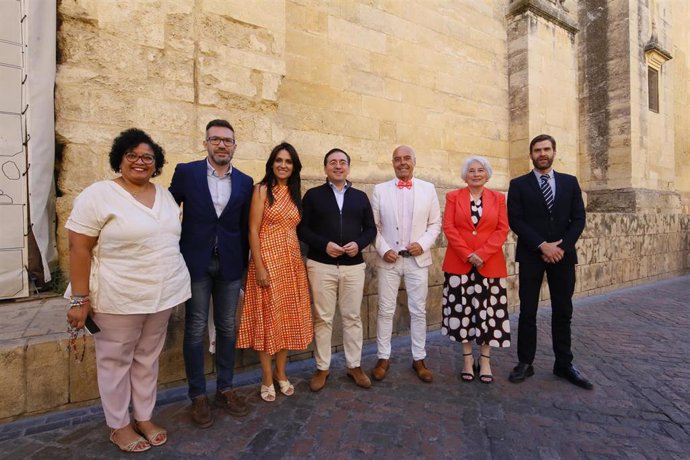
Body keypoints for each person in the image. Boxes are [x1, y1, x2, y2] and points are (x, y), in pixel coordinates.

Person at [65, 128, 191, 452]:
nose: (139, 161)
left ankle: (144, 416)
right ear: (119, 159)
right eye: (131, 155)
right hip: (118, 297)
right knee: (115, 362)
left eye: (147, 157)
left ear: (156, 163)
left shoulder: (163, 195)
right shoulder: (99, 195)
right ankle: (119, 425)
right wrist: (80, 299)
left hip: (162, 295)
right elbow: (78, 248)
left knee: (148, 358)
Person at [169, 119, 254, 428]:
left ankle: (225, 389)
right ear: (205, 143)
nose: (222, 145)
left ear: (234, 146)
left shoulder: (245, 181)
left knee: (228, 328)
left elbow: (245, 227)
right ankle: (198, 396)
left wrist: (245, 267)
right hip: (195, 263)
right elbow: (166, 211)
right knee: (195, 328)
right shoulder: (187, 173)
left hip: (230, 265)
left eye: (227, 140)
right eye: (216, 139)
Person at [507, 134, 593, 389]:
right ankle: (525, 362)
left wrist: (562, 247)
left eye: (546, 149)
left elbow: (578, 218)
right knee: (528, 311)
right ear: (531, 154)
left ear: (554, 152)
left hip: (563, 257)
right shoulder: (519, 184)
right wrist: (541, 245)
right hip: (532, 255)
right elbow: (516, 220)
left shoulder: (569, 182)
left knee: (563, 311)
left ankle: (564, 363)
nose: (542, 153)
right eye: (537, 150)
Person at [236, 142, 313, 402]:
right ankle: (267, 377)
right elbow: (252, 230)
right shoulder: (261, 190)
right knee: (267, 319)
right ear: (271, 163)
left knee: (286, 319)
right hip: (267, 260)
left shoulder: (294, 193)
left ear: (294, 167)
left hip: (291, 261)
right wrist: (258, 266)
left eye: (288, 161)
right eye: (279, 160)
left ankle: (282, 373)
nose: (283, 165)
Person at [298, 148, 377, 391]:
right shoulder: (312, 195)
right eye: (333, 162)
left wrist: (359, 244)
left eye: (342, 162)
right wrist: (324, 245)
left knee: (352, 317)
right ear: (325, 169)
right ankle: (322, 368)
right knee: (323, 318)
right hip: (321, 265)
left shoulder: (360, 197)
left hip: (353, 266)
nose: (338, 166)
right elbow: (302, 229)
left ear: (348, 168)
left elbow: (371, 230)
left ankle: (354, 365)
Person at [371, 145, 441, 383]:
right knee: (385, 310)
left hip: (417, 260)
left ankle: (419, 358)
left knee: (418, 310)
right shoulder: (380, 190)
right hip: (389, 260)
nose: (402, 162)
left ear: (414, 161)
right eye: (397, 159)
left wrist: (422, 244)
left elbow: (435, 225)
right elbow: (374, 227)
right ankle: (383, 357)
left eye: (406, 158)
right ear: (392, 163)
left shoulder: (428, 189)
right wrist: (384, 249)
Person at [441, 156, 510, 384]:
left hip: (489, 264)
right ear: (465, 175)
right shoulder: (453, 197)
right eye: (471, 170)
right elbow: (449, 227)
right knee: (463, 314)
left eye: (481, 170)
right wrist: (467, 254)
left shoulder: (498, 198)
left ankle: (486, 360)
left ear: (487, 174)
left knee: (488, 314)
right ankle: (468, 360)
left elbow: (502, 229)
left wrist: (482, 254)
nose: (476, 174)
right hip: (459, 264)